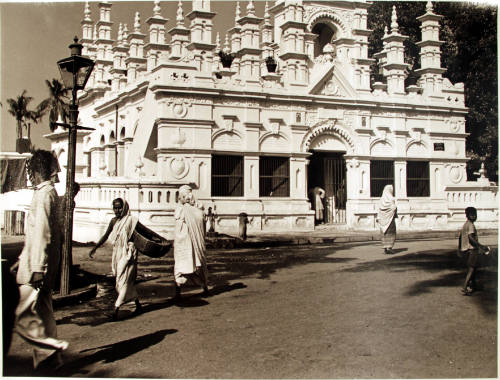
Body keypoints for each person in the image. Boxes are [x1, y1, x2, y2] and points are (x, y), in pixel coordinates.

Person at [14, 149, 68, 370]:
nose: (30, 174)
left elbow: (44, 233)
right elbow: (36, 234)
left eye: (31, 170)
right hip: (39, 261)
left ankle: (47, 355)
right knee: (43, 309)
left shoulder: (45, 194)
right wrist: (22, 259)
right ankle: (50, 359)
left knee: (20, 313)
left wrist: (37, 267)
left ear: (38, 171)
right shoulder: (46, 192)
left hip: (40, 265)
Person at [89, 198, 142, 320]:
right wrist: (95, 247)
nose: (117, 210)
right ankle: (138, 304)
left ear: (124, 208)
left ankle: (116, 309)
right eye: (115, 208)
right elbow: (106, 235)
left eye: (119, 207)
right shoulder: (113, 221)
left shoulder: (131, 221)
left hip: (128, 254)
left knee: (123, 281)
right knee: (122, 281)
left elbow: (142, 235)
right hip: (117, 253)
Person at [173, 185, 209, 300]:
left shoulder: (185, 210)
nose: (179, 199)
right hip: (187, 244)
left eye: (181, 196)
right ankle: (204, 287)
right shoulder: (197, 210)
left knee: (180, 268)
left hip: (185, 244)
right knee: (193, 267)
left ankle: (179, 291)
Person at [458, 207, 490, 296]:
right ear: (468, 215)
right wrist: (481, 246)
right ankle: (464, 287)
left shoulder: (465, 224)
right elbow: (471, 238)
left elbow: (460, 237)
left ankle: (474, 285)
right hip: (472, 249)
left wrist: (459, 249)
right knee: (471, 269)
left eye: (475, 215)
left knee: (473, 268)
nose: (474, 216)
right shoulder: (471, 225)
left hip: (465, 249)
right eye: (472, 215)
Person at [376, 184, 397, 254]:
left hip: (382, 220)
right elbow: (394, 208)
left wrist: (378, 217)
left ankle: (385, 247)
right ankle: (390, 247)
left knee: (384, 233)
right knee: (391, 233)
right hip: (390, 220)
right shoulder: (391, 199)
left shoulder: (381, 199)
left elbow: (379, 209)